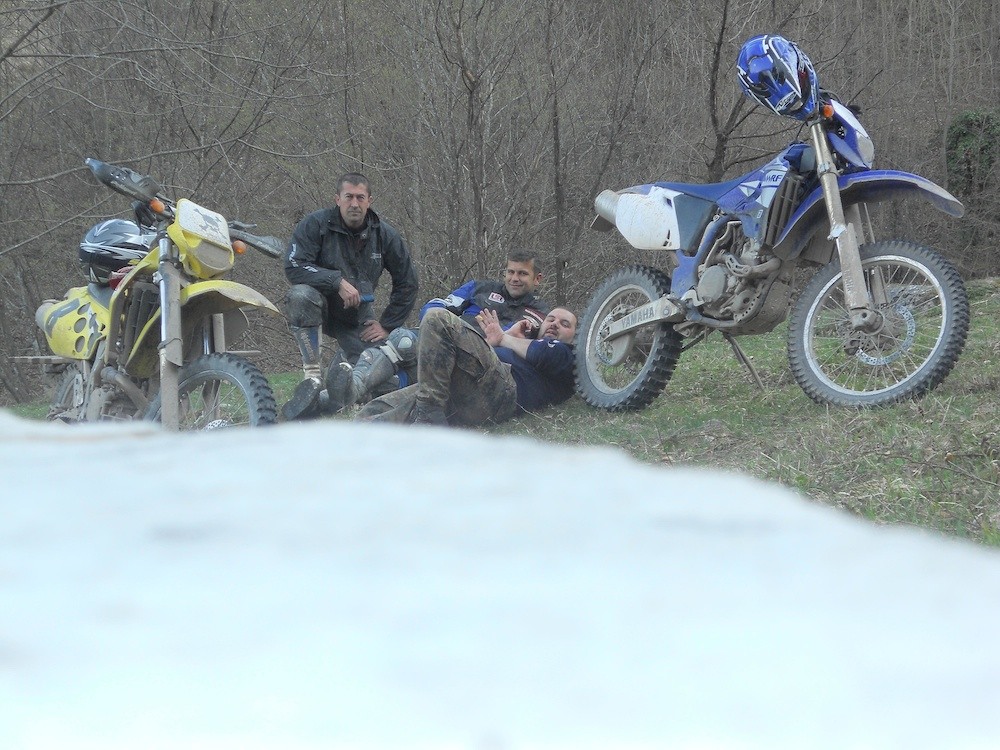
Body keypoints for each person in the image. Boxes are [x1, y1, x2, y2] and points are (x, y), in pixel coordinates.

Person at [324, 249, 551, 414]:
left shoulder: (540, 314)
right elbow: (435, 306)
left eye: (522, 274)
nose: (514, 279)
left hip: (476, 362)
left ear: (537, 279)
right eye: (510, 272)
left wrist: (500, 336)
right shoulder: (480, 288)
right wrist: (439, 322)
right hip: (442, 340)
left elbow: (519, 345)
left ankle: (346, 391)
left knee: (403, 345)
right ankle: (339, 393)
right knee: (402, 342)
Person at [282, 172, 419, 421]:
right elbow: (294, 266)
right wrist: (336, 281)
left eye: (360, 197)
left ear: (369, 201)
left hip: (357, 316)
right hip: (318, 305)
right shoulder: (315, 225)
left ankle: (327, 392)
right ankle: (312, 376)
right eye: (348, 197)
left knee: (377, 373)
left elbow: (408, 282)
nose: (354, 203)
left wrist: (387, 325)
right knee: (300, 296)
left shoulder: (385, 235)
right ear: (337, 199)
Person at [351, 305, 577, 427]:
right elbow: (469, 358)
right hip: (461, 395)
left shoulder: (568, 354)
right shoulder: (522, 342)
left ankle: (429, 419)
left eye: (565, 323)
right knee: (372, 412)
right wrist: (499, 339)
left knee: (437, 318)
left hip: (504, 393)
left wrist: (504, 338)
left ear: (576, 335)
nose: (555, 324)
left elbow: (542, 354)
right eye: (551, 319)